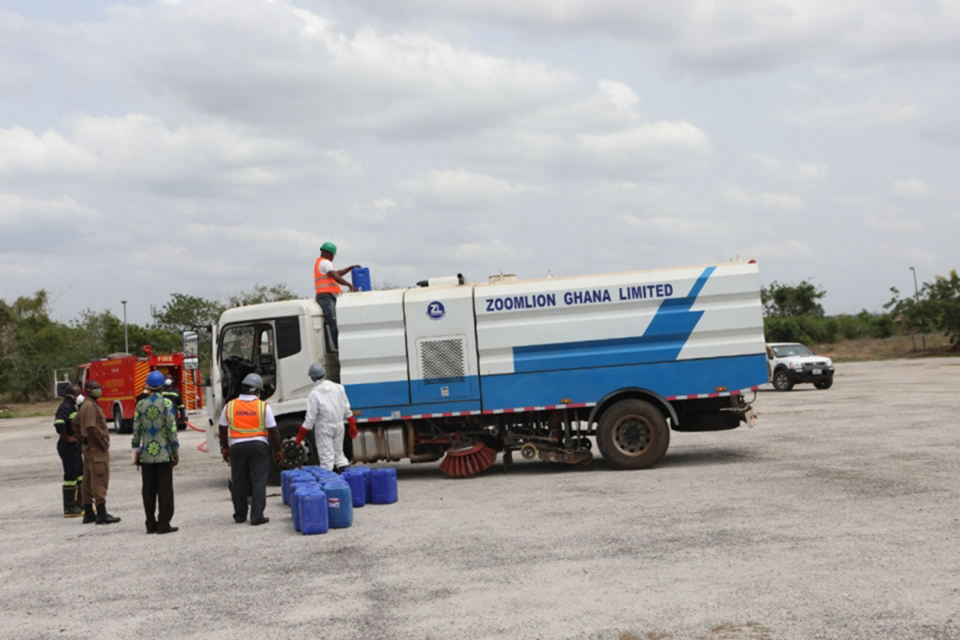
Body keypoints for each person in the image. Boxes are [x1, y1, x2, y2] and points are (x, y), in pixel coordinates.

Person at [218, 373, 282, 525]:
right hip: (258, 447)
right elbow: (273, 430)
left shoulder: (230, 405)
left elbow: (222, 428)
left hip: (237, 447)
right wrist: (279, 450)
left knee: (238, 481)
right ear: (258, 391)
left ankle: (240, 515)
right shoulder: (263, 406)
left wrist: (225, 448)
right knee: (258, 481)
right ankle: (256, 516)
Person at [132, 371, 180, 534]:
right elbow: (171, 430)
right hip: (163, 453)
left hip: (146, 455)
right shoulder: (166, 404)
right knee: (165, 489)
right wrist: (175, 450)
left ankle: (150, 523)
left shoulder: (140, 404)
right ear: (161, 385)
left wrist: (136, 452)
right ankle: (164, 523)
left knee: (148, 490)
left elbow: (136, 431)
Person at [295, 363, 357, 473]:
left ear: (312, 377)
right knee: (339, 454)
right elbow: (346, 408)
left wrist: (300, 436)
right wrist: (352, 424)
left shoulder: (314, 394)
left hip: (324, 429)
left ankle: (331, 484)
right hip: (339, 426)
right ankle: (347, 478)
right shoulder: (338, 388)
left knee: (326, 460)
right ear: (324, 373)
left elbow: (310, 418)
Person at [77, 380, 120, 525]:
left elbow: (75, 423)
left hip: (89, 448)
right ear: (87, 391)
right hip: (96, 450)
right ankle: (101, 513)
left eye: (98, 387)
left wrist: (81, 438)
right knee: (99, 479)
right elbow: (90, 427)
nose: (98, 390)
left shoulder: (84, 405)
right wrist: (101, 444)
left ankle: (89, 512)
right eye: (94, 388)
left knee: (88, 479)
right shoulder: (90, 406)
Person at [313, 241, 360, 349]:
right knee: (333, 320)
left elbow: (336, 273)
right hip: (325, 296)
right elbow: (336, 277)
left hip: (328, 295)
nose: (333, 257)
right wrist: (349, 285)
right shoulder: (325, 262)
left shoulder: (321, 263)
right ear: (327, 253)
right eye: (333, 255)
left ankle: (339, 343)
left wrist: (350, 268)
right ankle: (339, 346)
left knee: (336, 320)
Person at [54, 385, 84, 518]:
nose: (80, 395)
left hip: (75, 446)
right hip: (67, 446)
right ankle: (70, 508)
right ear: (70, 395)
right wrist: (67, 438)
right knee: (71, 475)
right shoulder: (65, 406)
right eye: (77, 393)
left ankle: (79, 503)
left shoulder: (73, 407)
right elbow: (59, 423)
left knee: (79, 473)